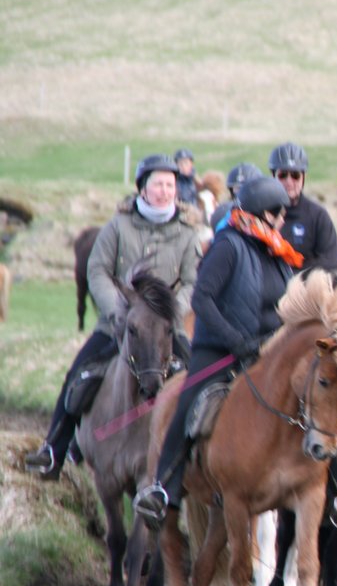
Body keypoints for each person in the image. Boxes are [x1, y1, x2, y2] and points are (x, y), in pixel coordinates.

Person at [133, 176, 302, 529]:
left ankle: (336, 495)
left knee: (315, 394)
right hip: (219, 349)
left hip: (267, 350)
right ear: (263, 213)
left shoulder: (279, 253)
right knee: (188, 400)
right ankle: (163, 489)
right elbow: (202, 299)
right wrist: (235, 340)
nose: (283, 218)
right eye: (278, 212)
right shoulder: (229, 245)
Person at [24, 155, 202, 480]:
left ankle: (196, 465)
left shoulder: (187, 234)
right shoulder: (118, 226)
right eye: (158, 184)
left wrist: (170, 313)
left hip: (165, 330)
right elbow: (97, 270)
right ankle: (53, 451)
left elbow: (192, 281)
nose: (164, 191)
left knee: (197, 384)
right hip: (117, 326)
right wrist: (118, 311)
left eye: (170, 185)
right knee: (77, 376)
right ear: (142, 188)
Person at [268, 142, 337, 271]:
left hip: (306, 282)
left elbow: (332, 262)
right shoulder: (261, 213)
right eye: (282, 175)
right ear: (273, 176)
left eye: (295, 175)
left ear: (304, 177)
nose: (289, 182)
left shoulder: (318, 216)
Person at [209, 162, 263, 231]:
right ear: (231, 190)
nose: (241, 192)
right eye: (237, 188)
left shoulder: (267, 213)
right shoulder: (225, 213)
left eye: (245, 188)